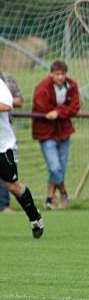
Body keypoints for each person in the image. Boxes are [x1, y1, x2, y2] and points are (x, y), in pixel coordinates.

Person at [32, 61, 80, 209]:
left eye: (63, 74)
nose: (60, 77)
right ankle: (64, 193)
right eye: (57, 74)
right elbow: (42, 107)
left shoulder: (72, 85)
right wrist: (61, 110)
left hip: (64, 131)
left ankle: (49, 198)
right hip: (46, 132)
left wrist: (58, 112)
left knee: (61, 167)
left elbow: (75, 107)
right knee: (54, 167)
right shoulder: (42, 88)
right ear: (51, 74)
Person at [0, 76, 44, 237]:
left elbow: (7, 105)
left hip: (3, 147)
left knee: (12, 186)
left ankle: (34, 216)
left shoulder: (0, 84)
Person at [0, 71, 22, 213]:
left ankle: (4, 205)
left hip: (3, 142)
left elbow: (9, 105)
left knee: (10, 184)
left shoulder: (5, 80)